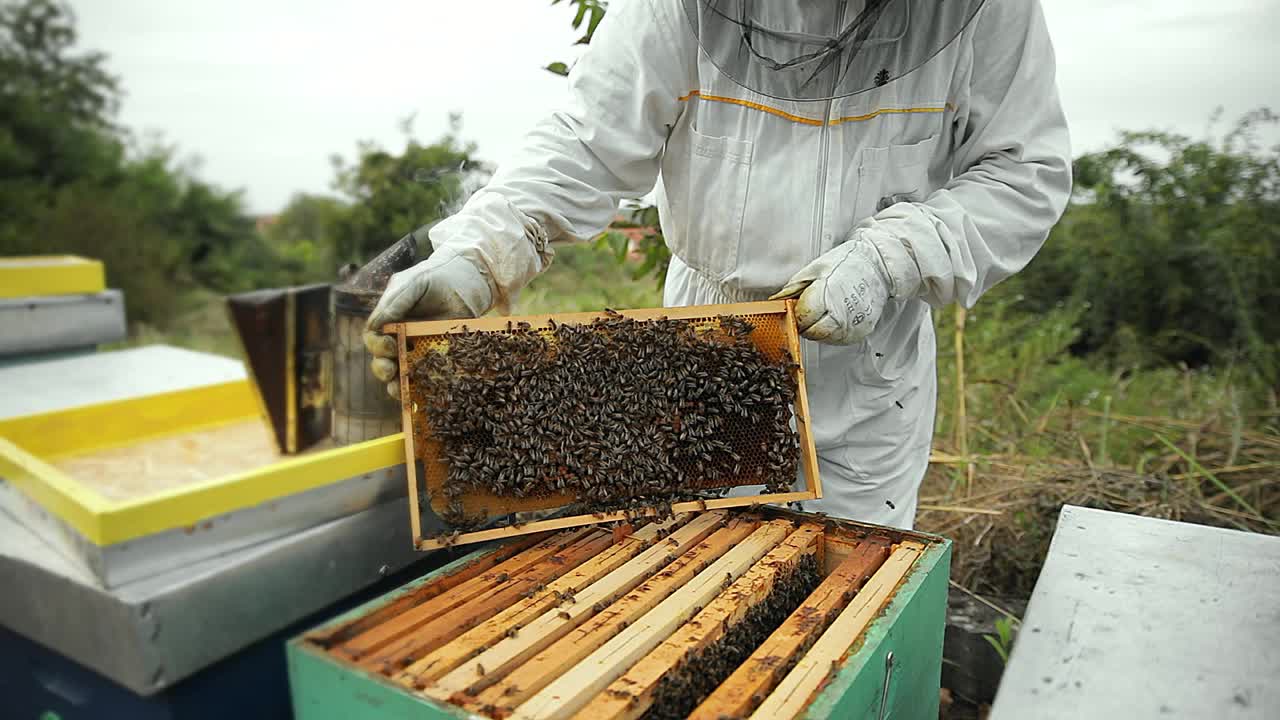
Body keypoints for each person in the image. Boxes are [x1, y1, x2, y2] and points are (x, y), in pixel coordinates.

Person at [363, 0, 1071, 529]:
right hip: (704, 345)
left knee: (844, 595)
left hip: (864, 371)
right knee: (697, 575)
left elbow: (1024, 172)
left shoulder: (989, 11)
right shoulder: (675, 7)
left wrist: (894, 256)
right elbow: (584, 144)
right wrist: (473, 257)